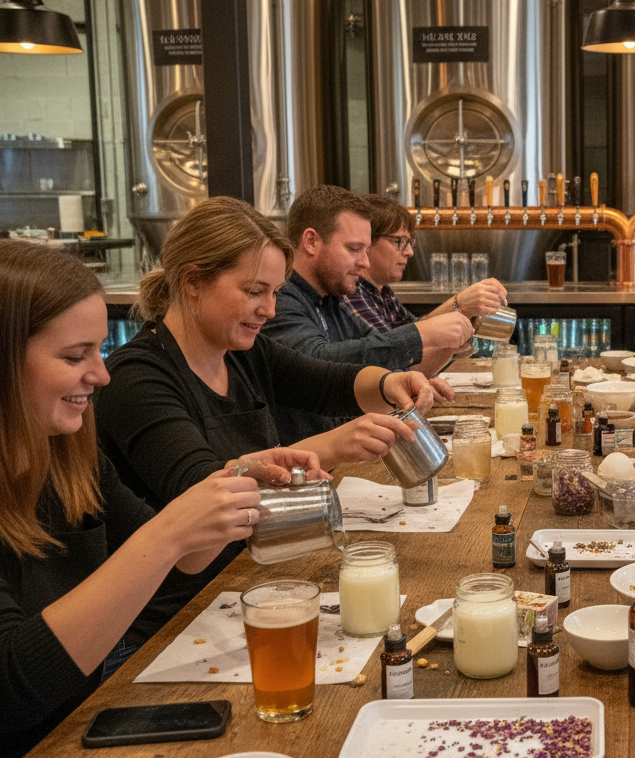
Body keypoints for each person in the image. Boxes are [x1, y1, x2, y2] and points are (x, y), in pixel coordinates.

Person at [0, 240, 306, 755]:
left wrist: (232, 480)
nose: (100, 374)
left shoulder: (67, 457)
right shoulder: (145, 375)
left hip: (84, 722)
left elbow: (187, 567)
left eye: (98, 351)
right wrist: (167, 534)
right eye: (76, 356)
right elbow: (12, 691)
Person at [94, 198, 448, 597]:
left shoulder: (243, 353)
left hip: (253, 574)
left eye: (276, 292)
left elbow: (326, 381)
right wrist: (335, 444)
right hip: (178, 610)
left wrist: (388, 383)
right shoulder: (137, 379)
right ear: (192, 281)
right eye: (254, 291)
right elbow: (201, 492)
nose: (269, 309)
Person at [261, 186, 472, 441]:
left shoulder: (332, 299)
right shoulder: (280, 299)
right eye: (354, 249)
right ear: (311, 241)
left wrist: (400, 380)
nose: (365, 261)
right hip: (305, 468)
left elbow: (369, 355)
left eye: (366, 249)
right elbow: (317, 365)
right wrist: (421, 334)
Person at [347, 193, 508, 352]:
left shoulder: (383, 293)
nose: (409, 252)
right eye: (399, 242)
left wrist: (459, 333)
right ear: (366, 242)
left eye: (410, 242)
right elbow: (393, 353)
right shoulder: (353, 292)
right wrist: (459, 304)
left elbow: (414, 333)